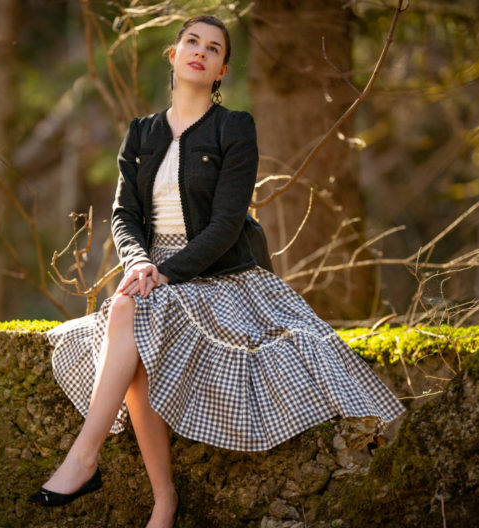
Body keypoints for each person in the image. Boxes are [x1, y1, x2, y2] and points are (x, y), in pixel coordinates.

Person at [28, 14, 405, 528]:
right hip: (150, 272)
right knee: (131, 316)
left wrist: (164, 273)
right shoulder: (141, 134)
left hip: (218, 275)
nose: (200, 52)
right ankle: (162, 500)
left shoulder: (235, 128)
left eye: (213, 48)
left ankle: (87, 460)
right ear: (174, 54)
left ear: (223, 68)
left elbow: (228, 223)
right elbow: (124, 215)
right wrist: (140, 261)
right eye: (191, 42)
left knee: (128, 312)